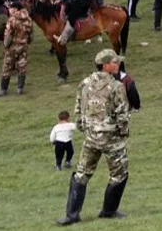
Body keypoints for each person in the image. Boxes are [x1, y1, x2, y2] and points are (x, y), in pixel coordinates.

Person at [56, 49, 131, 226]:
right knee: (119, 174)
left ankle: (71, 214)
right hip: (112, 139)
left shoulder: (84, 83)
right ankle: (109, 211)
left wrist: (83, 127)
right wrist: (123, 132)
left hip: (91, 138)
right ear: (105, 65)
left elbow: (78, 108)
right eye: (114, 61)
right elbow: (123, 114)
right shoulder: (116, 86)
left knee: (81, 174)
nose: (118, 63)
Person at [0, 0, 33, 96]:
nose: (9, 9)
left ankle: (3, 89)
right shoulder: (29, 19)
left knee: (7, 67)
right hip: (24, 46)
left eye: (11, 8)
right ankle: (20, 88)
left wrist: (5, 45)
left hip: (12, 47)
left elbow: (8, 35)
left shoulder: (12, 20)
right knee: (22, 66)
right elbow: (31, 35)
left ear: (15, 9)